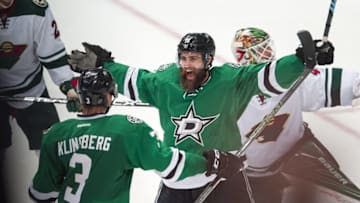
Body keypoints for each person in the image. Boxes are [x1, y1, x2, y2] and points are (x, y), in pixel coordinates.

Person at [67, 32, 334, 203]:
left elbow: (268, 75)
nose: (186, 64)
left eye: (193, 59)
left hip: (225, 174)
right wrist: (104, 65)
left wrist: (301, 60)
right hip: (178, 179)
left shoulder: (229, 80)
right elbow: (134, 79)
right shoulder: (165, 81)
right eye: (183, 58)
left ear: (208, 60)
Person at [28, 68, 245, 203]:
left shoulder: (56, 134)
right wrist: (211, 164)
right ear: (110, 96)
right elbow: (170, 164)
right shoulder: (126, 130)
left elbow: (40, 193)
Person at [230, 27, 360, 203]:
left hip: (297, 152)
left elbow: (332, 84)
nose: (269, 52)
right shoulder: (229, 90)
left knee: (341, 196)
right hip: (246, 172)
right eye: (261, 49)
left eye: (269, 46)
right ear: (244, 55)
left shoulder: (289, 76)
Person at [0, 0, 78, 201]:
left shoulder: (35, 8)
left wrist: (68, 87)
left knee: (55, 150)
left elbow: (52, 51)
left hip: (32, 90)